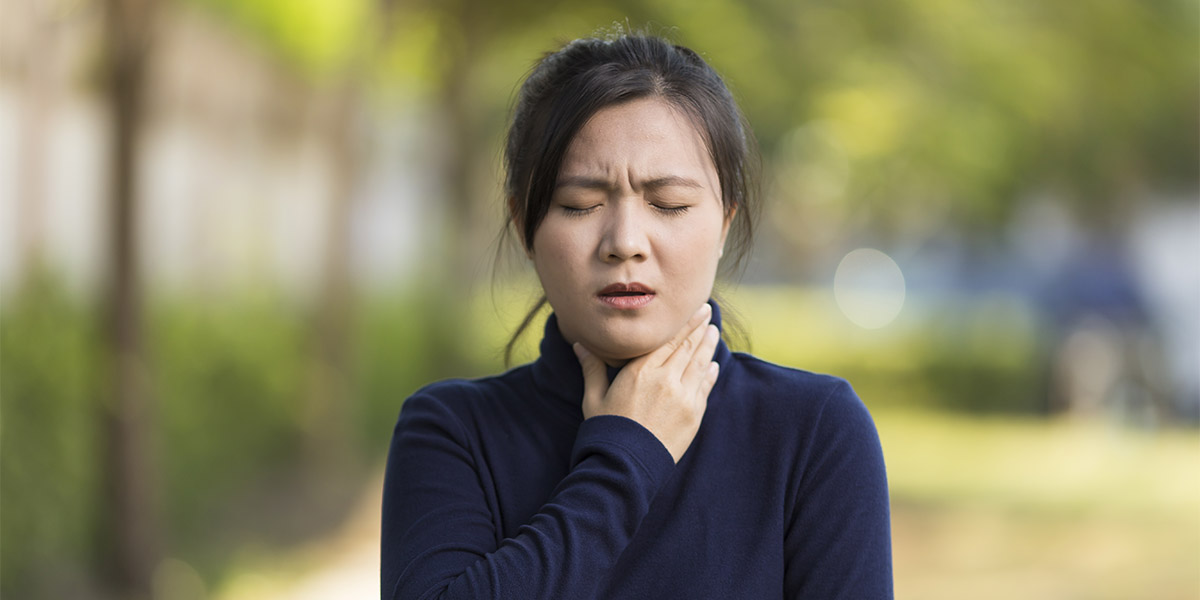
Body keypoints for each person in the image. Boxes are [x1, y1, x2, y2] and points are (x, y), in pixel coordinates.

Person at [381, 32, 892, 599]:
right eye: (580, 205)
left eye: (668, 203)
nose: (625, 242)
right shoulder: (453, 432)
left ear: (724, 222)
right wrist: (627, 458)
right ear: (524, 225)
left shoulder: (814, 432)